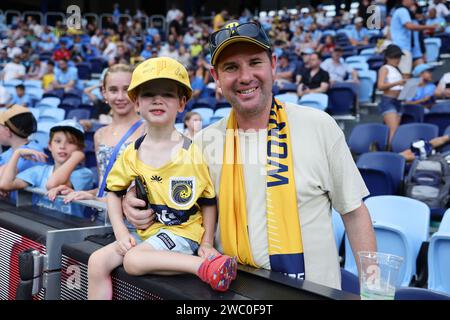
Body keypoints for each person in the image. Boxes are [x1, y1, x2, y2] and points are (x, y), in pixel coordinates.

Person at [123, 21, 376, 290]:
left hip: (311, 294)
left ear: (274, 64)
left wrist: (372, 291)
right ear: (216, 77)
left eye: (255, 62)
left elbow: (354, 213)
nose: (245, 77)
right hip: (231, 294)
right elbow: (174, 207)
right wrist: (134, 201)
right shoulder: (202, 144)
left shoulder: (319, 126)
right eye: (231, 67)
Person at [87, 57, 237, 300]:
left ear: (181, 103)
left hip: (183, 234)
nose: (157, 100)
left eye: (167, 94)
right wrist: (121, 233)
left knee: (134, 261)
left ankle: (207, 267)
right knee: (96, 262)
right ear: (136, 102)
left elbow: (209, 201)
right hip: (149, 234)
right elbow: (114, 192)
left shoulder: (191, 154)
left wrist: (207, 243)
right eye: (148, 95)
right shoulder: (131, 152)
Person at [60, 64, 144, 206]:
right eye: (113, 90)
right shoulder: (99, 135)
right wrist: (83, 193)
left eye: (126, 90)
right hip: (101, 215)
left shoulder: (147, 131)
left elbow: (148, 192)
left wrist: (97, 200)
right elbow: (104, 187)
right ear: (104, 93)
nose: (120, 97)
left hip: (133, 221)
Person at [0, 120, 94, 218]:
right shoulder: (40, 171)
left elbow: (52, 184)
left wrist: (77, 156)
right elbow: (5, 184)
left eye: (70, 142)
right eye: (57, 141)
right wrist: (17, 153)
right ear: (49, 146)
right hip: (40, 226)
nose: (62, 146)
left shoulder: (84, 174)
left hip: (67, 229)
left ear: (79, 148)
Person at [0, 105, 42, 199]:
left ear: (7, 131)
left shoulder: (33, 152)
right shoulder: (9, 152)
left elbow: (4, 182)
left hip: (26, 210)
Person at [390, 0, 437, 77]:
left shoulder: (409, 16)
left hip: (412, 50)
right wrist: (430, 27)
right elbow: (410, 26)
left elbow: (419, 38)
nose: (413, 1)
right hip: (402, 49)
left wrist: (422, 53)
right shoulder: (402, 10)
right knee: (406, 76)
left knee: (423, 75)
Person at [377, 44, 407, 144]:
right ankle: (390, 153)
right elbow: (380, 86)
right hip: (388, 101)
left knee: (395, 130)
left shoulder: (397, 70)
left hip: (398, 101)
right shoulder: (385, 68)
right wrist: (398, 83)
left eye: (398, 57)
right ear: (387, 57)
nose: (397, 60)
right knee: (393, 130)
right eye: (394, 57)